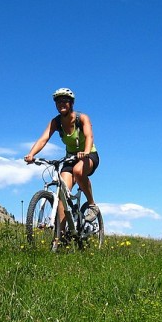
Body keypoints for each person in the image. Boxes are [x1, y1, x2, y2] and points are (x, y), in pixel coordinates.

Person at [24, 87, 100, 222]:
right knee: (62, 195)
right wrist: (31, 154)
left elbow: (89, 136)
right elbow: (43, 138)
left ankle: (92, 205)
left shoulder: (82, 118)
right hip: (70, 158)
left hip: (89, 155)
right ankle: (62, 236)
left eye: (65, 101)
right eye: (58, 102)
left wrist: (86, 151)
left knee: (78, 171)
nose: (61, 104)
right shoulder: (56, 122)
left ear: (71, 103)